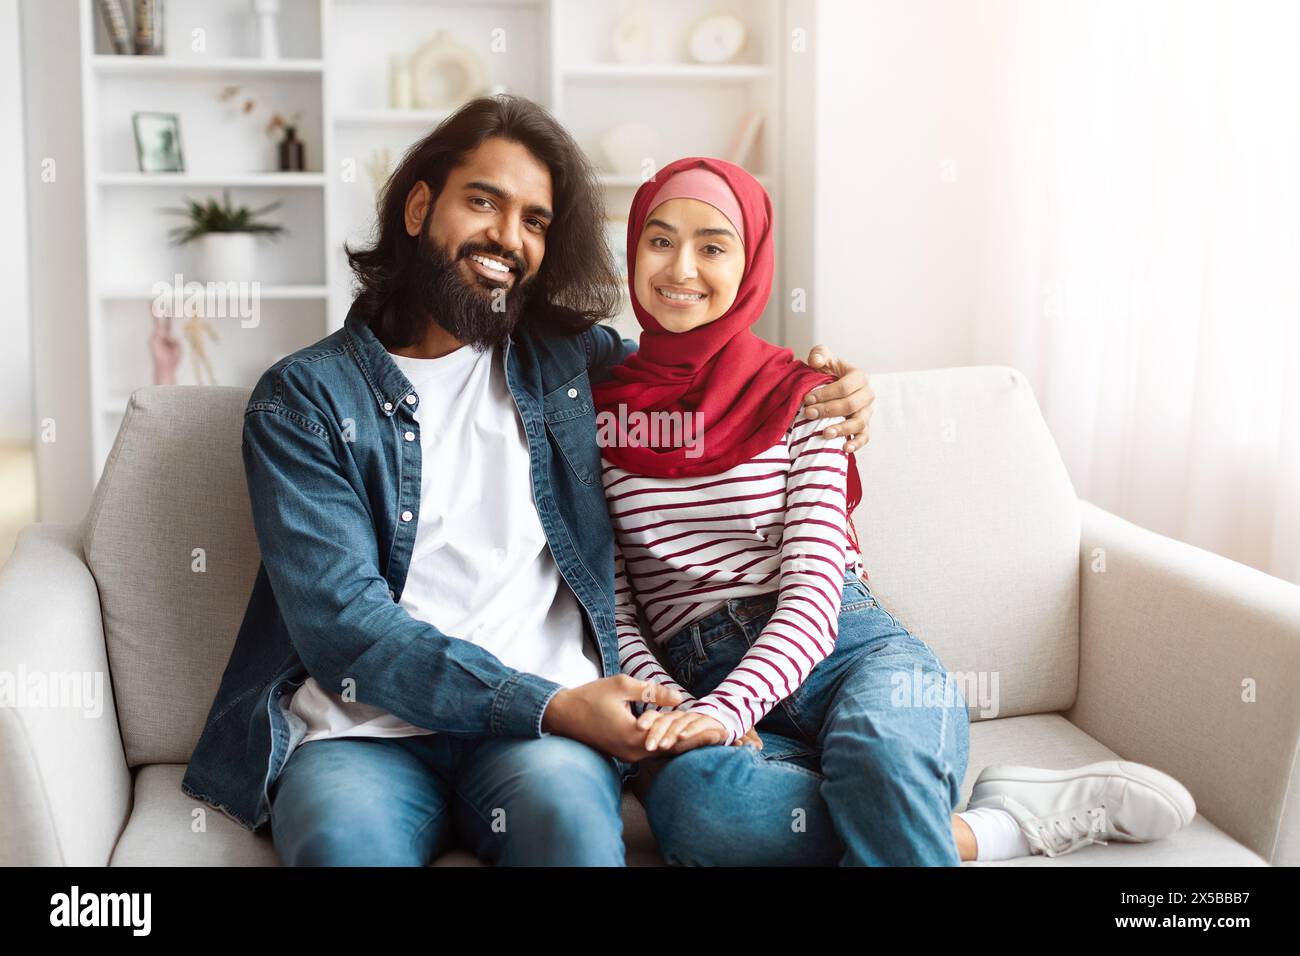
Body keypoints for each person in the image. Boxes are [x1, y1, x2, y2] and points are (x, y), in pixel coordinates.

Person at [178, 95, 875, 866]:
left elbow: (701, 365)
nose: (508, 238)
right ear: (418, 206)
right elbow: (344, 625)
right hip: (364, 736)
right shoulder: (305, 400)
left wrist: (821, 388)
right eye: (484, 202)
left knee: (574, 840)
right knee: (345, 848)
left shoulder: (568, 365)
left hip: (539, 741)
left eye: (535, 221)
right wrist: (554, 704)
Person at [593, 156, 1197, 865]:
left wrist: (730, 710)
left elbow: (816, 594)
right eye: (659, 240)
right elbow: (615, 608)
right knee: (703, 816)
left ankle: (889, 792)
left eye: (713, 245)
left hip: (847, 649)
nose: (681, 267)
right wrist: (680, 711)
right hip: (697, 672)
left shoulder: (807, 396)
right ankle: (993, 828)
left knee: (881, 752)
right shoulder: (594, 414)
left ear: (751, 260)